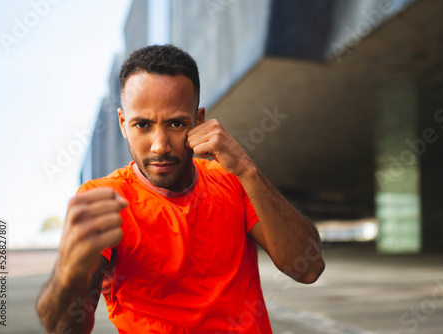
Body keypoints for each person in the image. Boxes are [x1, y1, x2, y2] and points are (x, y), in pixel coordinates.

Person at [36, 44, 324, 334]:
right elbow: (66, 330)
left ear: (198, 121)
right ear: (124, 124)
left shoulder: (232, 179)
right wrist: (69, 272)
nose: (160, 145)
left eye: (175, 123)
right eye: (143, 125)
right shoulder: (106, 199)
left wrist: (248, 169)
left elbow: (308, 268)